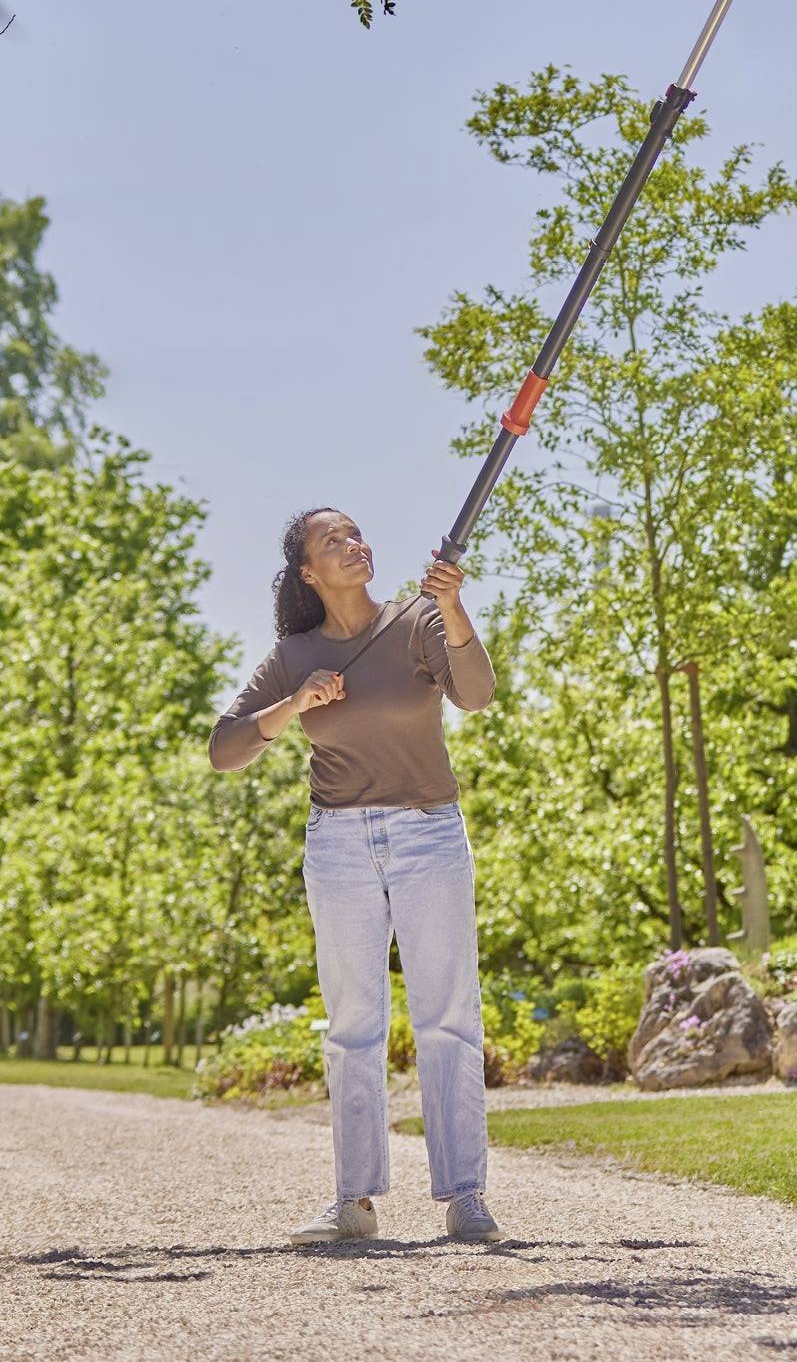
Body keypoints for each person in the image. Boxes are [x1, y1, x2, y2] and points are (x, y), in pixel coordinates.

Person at [210, 506, 500, 1246]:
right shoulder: (294, 653)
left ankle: (465, 1196)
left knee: (448, 1019)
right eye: (332, 540)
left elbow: (475, 694)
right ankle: (354, 1202)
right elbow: (225, 749)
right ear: (308, 572)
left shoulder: (418, 620)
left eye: (356, 533)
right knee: (352, 1029)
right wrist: (295, 703)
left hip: (429, 832)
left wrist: (453, 608)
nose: (352, 544)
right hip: (338, 842)